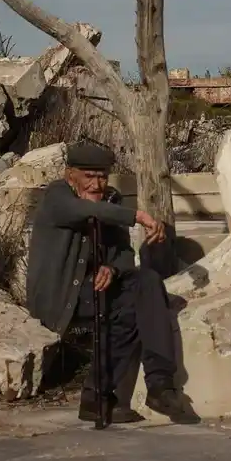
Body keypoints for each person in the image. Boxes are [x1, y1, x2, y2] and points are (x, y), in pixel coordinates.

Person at [26, 141, 188, 424]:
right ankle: (95, 395)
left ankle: (160, 385)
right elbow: (84, 212)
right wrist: (138, 216)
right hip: (61, 298)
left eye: (102, 176)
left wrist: (112, 269)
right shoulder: (56, 195)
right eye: (89, 176)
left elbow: (124, 253)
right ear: (70, 175)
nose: (97, 184)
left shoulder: (110, 200)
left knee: (147, 283)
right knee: (125, 310)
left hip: (96, 290)